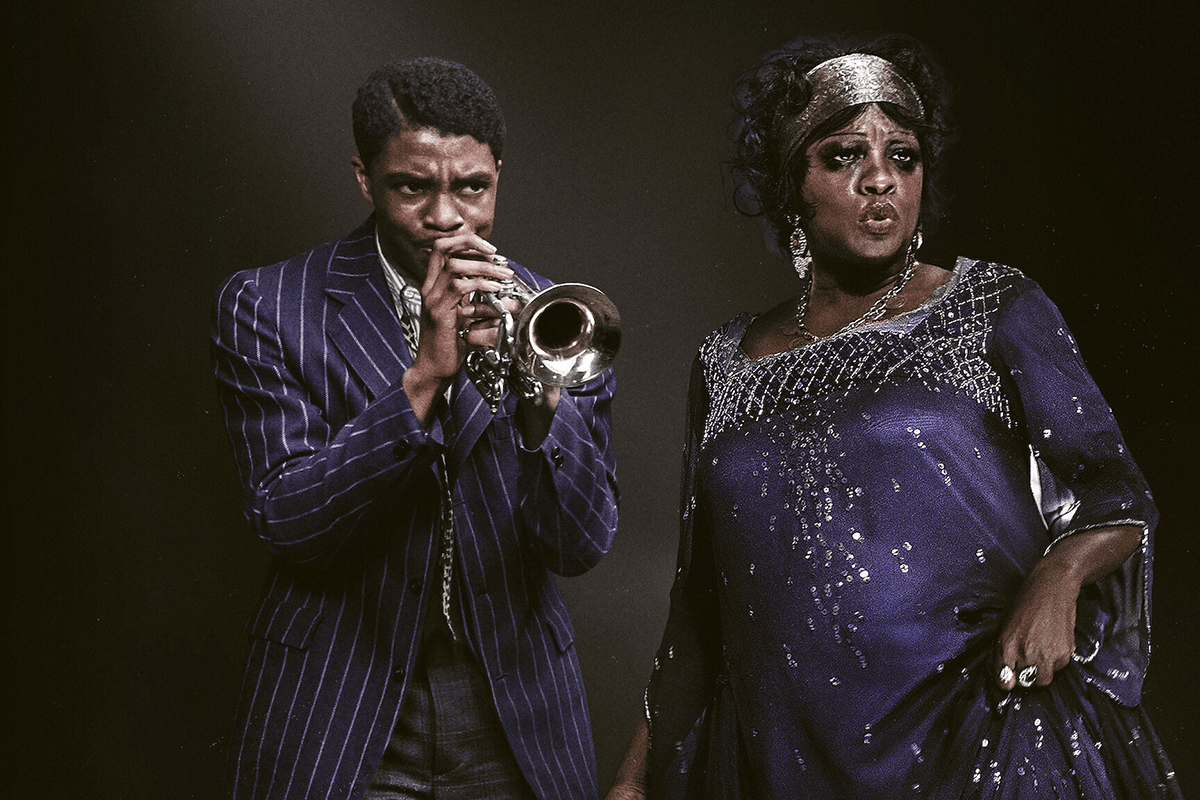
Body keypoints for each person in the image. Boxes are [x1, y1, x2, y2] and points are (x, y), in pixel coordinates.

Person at [605, 35, 1181, 799]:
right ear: (791, 187)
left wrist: (1059, 573)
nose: (880, 180)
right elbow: (698, 609)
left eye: (903, 157)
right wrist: (634, 780)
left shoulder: (990, 305)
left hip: (983, 738)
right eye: (843, 156)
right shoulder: (724, 362)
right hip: (786, 758)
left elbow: (1118, 495)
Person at [212, 57, 618, 800]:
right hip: (344, 703)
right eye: (412, 187)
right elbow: (289, 522)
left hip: (511, 707)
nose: (446, 217)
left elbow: (580, 543)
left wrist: (538, 398)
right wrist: (425, 379)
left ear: (499, 172)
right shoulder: (268, 306)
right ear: (365, 179)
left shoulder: (555, 315)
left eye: (472, 186)